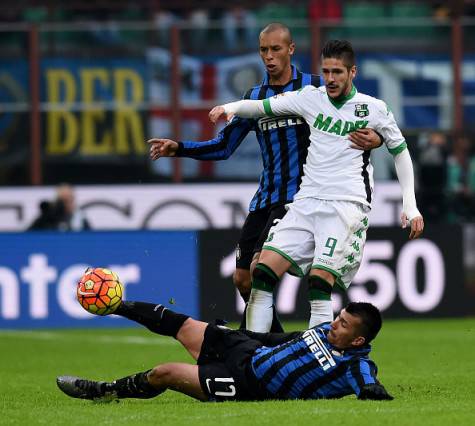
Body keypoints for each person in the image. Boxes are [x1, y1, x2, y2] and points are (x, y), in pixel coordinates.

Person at [148, 23, 383, 331]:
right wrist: (178, 148)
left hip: (300, 196)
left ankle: (263, 349)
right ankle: (277, 342)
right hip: (265, 196)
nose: (269, 57)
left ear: (291, 50)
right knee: (243, 279)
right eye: (263, 50)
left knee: (263, 269)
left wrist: (377, 138)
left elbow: (358, 115)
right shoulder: (255, 97)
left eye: (275, 49)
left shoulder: (315, 88)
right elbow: (224, 146)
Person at [208, 39, 424, 332]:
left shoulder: (373, 108)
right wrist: (230, 107)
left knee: (319, 282)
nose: (331, 79)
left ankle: (317, 360)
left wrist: (410, 206)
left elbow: (401, 152)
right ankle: (256, 355)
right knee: (262, 274)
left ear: (352, 72)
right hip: (306, 202)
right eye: (326, 72)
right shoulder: (310, 98)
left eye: (338, 72)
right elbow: (262, 106)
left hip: (346, 206)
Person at [56, 299, 393, 402]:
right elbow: (280, 341)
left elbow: (370, 386)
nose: (335, 324)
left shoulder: (356, 365)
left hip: (250, 386)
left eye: (344, 325)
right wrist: (235, 335)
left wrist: (372, 391)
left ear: (359, 341)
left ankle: (106, 392)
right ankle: (116, 304)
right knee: (184, 324)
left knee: (165, 373)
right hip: (247, 351)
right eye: (339, 318)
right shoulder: (323, 330)